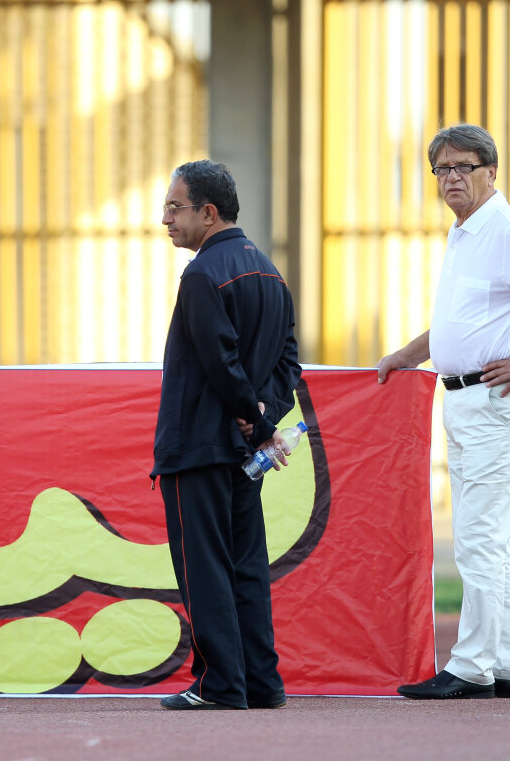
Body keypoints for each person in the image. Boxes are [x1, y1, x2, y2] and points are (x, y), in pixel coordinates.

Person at [378, 124, 510, 700]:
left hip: (499, 403)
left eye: (464, 166)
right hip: (466, 400)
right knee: (488, 537)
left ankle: (471, 666)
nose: (451, 177)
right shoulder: (466, 231)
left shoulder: (506, 230)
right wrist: (407, 355)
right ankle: (506, 664)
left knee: (478, 536)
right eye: (442, 169)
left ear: (490, 171)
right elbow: (459, 323)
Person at [150, 160, 302, 710]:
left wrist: (255, 420)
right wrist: (263, 417)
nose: (165, 218)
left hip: (198, 448)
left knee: (205, 570)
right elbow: (288, 363)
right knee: (246, 569)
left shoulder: (201, 275)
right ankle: (261, 682)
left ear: (208, 213)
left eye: (175, 207)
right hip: (241, 454)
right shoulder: (269, 272)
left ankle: (218, 685)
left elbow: (219, 361)